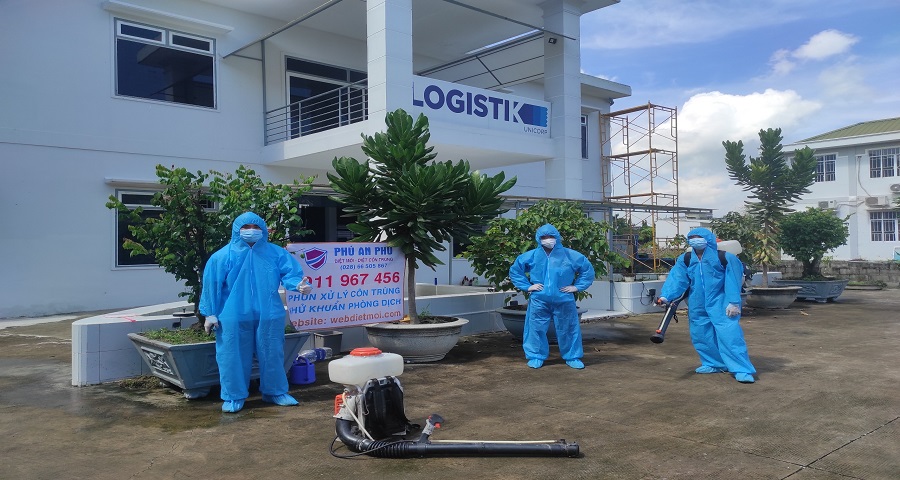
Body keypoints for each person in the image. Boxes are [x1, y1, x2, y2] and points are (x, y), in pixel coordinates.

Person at [199, 212, 313, 413]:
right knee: (231, 356)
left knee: (272, 353)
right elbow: (211, 285)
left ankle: (275, 392)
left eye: (256, 227)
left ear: (263, 230)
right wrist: (210, 313)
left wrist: (298, 285)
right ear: (237, 230)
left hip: (268, 312)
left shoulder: (276, 253)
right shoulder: (222, 256)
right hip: (232, 315)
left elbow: (291, 273)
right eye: (246, 227)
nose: (251, 231)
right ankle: (233, 396)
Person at [657, 227, 756, 383]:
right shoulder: (686, 259)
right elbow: (677, 279)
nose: (695, 240)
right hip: (697, 303)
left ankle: (741, 369)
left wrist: (734, 302)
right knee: (701, 335)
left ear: (708, 239)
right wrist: (665, 296)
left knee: (730, 336)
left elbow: (733, 280)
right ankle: (714, 363)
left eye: (698, 237)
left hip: (721, 302)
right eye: (691, 237)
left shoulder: (725, 257)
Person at [509, 224, 595, 369]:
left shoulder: (570, 255)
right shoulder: (531, 256)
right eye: (544, 237)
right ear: (538, 238)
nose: (548, 239)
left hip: (564, 298)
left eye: (551, 236)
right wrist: (528, 286)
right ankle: (536, 356)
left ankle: (572, 356)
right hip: (539, 299)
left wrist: (576, 287)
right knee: (535, 328)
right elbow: (516, 270)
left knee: (569, 328)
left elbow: (587, 270)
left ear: (557, 237)